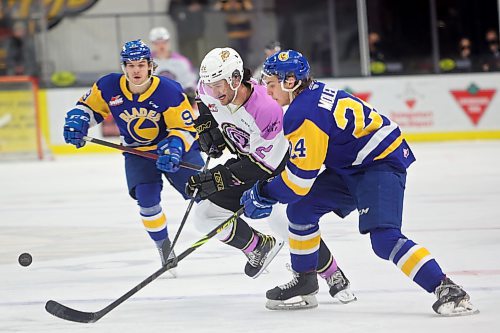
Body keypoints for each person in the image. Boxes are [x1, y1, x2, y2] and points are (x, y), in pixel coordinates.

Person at [240, 49, 478, 316]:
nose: (268, 90)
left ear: (291, 82)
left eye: (271, 84)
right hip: (353, 166)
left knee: (384, 239)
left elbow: (299, 181)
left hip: (379, 165)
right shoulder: (311, 93)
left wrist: (264, 192)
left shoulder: (302, 113)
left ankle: (447, 289)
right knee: (300, 210)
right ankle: (306, 280)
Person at [185, 47, 356, 304]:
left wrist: (216, 179)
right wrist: (209, 128)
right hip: (247, 161)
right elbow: (203, 100)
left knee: (286, 224)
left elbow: (263, 167)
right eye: (210, 85)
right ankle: (258, 247)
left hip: (275, 167)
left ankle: (333, 274)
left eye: (218, 85)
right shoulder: (208, 89)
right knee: (204, 216)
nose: (213, 91)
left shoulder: (266, 109)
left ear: (234, 79)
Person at [63, 40, 204, 272]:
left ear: (150, 65)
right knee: (147, 201)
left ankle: (253, 245)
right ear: (124, 66)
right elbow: (89, 108)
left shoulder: (168, 89)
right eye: (130, 65)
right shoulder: (109, 86)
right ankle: (163, 247)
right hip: (137, 153)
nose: (136, 70)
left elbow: (186, 128)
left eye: (141, 64)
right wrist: (78, 120)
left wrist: (176, 146)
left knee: (207, 198)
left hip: (175, 150)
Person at [149, 27, 198, 104]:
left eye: (164, 42)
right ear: (152, 44)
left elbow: (190, 84)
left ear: (169, 42)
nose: (161, 46)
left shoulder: (182, 62)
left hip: (178, 102)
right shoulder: (146, 63)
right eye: (157, 43)